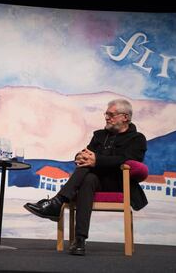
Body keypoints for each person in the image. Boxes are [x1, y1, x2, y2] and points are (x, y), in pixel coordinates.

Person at [24, 99, 147, 256]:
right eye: (106, 114)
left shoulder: (137, 138)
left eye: (111, 114)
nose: (107, 117)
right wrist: (80, 156)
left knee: (88, 170)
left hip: (118, 182)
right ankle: (80, 240)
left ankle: (57, 203)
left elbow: (128, 160)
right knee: (87, 178)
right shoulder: (100, 135)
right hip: (95, 180)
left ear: (125, 117)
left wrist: (97, 160)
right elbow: (86, 152)